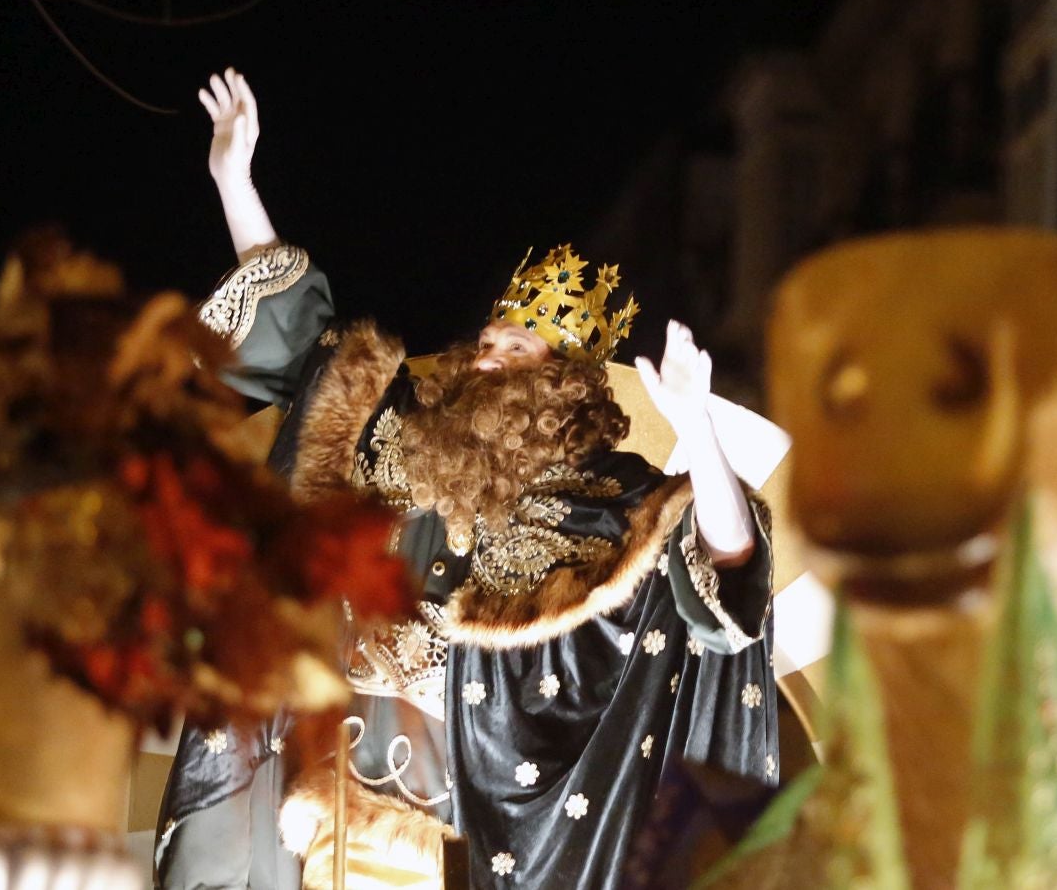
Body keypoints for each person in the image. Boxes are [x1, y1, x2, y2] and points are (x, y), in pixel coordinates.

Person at [156, 68, 778, 890]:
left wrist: (696, 424)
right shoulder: (399, 433)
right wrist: (235, 185)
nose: (489, 356)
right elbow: (308, 350)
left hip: (477, 833)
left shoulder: (606, 505)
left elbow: (726, 583)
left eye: (516, 349)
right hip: (323, 812)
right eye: (488, 339)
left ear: (561, 384)